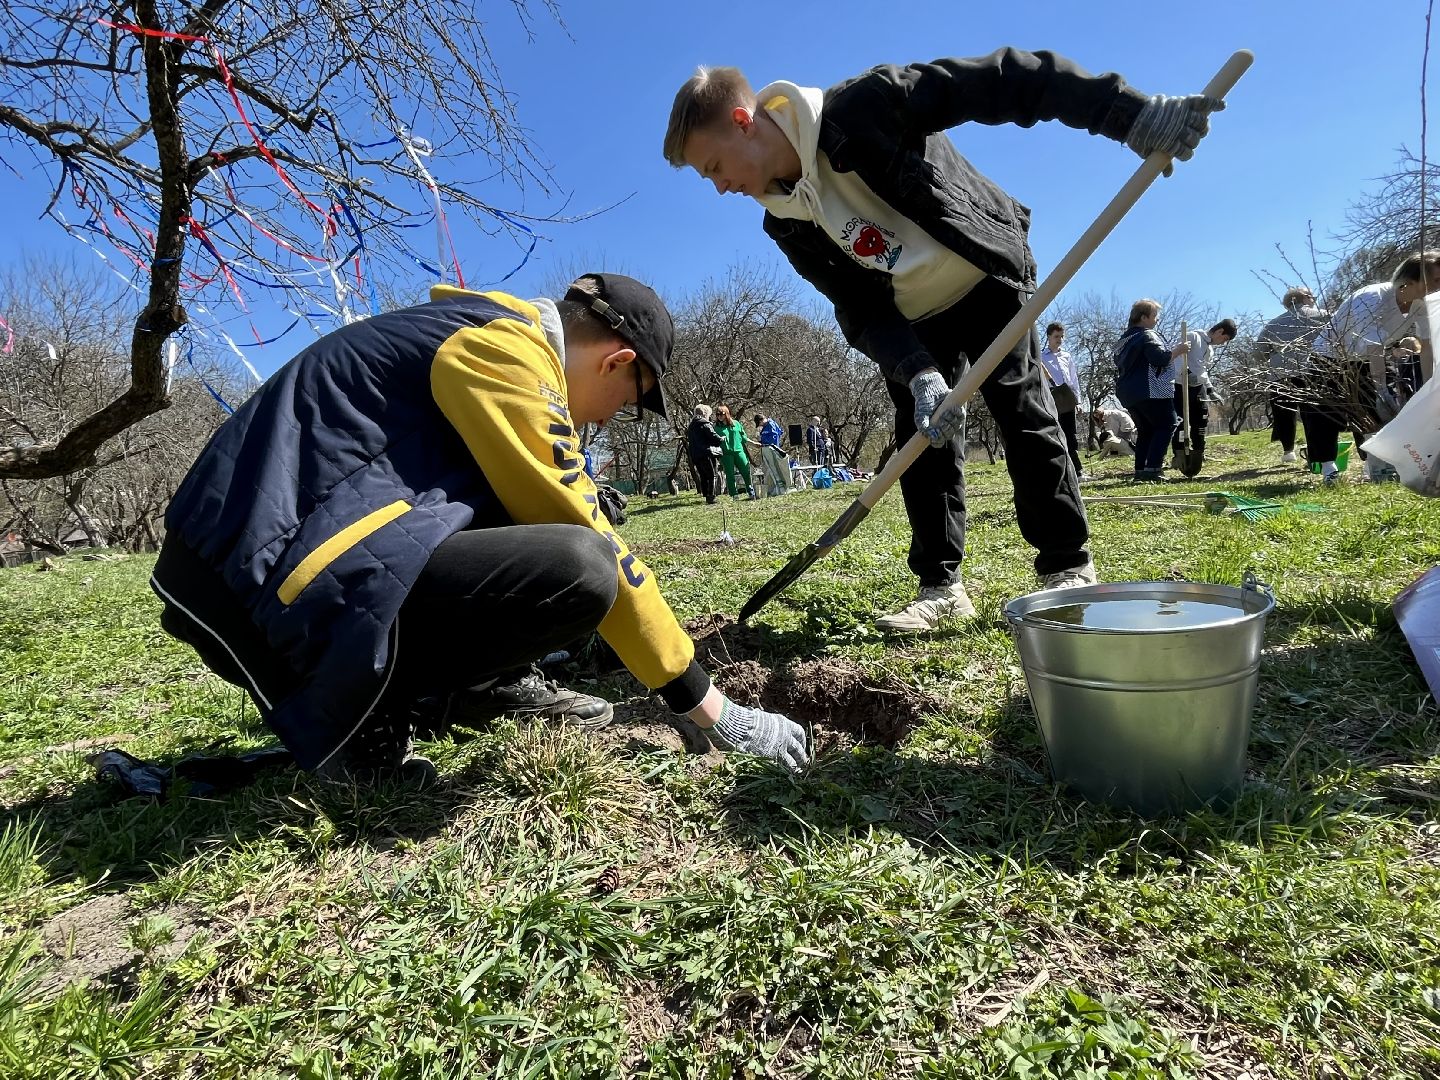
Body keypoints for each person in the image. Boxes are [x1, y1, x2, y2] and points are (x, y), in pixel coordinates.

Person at [150, 274, 809, 781]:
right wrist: (708, 706)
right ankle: (365, 718)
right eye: (628, 402)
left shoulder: (488, 336)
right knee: (583, 562)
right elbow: (577, 524)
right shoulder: (502, 353)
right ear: (616, 360)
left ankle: (473, 690)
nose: (609, 421)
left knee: (569, 523)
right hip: (245, 583)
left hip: (276, 561)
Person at [664, 51, 1219, 630]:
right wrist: (917, 371)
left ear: (742, 121)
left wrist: (1125, 113)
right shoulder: (784, 221)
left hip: (984, 276)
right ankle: (941, 586)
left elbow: (1006, 81)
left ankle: (1066, 567)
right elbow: (857, 304)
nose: (721, 187)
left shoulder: (867, 105)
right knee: (921, 439)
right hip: (912, 315)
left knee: (1022, 408)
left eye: (713, 167)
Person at [1306, 252, 1440, 483]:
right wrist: (1381, 390)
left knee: (1370, 413)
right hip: (1328, 356)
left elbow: (1426, 346)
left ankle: (1374, 466)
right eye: (1436, 280)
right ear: (1411, 280)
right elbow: (1374, 347)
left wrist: (1426, 389)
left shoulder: (1421, 304)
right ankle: (1329, 468)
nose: (1439, 286)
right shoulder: (1371, 298)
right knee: (1325, 412)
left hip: (1363, 358)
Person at [1113, 299, 1187, 481]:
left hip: (1128, 392)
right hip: (1150, 389)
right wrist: (1178, 350)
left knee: (1146, 430)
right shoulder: (1147, 335)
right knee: (1166, 424)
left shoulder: (1123, 341)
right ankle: (1153, 468)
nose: (1157, 320)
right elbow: (1159, 359)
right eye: (1155, 316)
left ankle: (1141, 470)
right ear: (1144, 317)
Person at [1257, 287, 1327, 463]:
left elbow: (1258, 353)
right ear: (1304, 298)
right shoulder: (1324, 316)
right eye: (1313, 297)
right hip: (1312, 371)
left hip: (1280, 375)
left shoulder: (1272, 324)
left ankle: (1288, 452)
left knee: (1284, 414)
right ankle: (1316, 452)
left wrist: (1274, 358)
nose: (1314, 300)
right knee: (1313, 413)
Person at [1170, 318, 1237, 468]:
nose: (1223, 343)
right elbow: (1178, 357)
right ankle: (1179, 456)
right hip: (1181, 386)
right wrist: (1186, 373)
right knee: (1180, 423)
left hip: (1198, 388)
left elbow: (1203, 371)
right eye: (1224, 339)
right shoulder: (1193, 336)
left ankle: (1199, 452)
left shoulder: (1210, 350)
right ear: (1220, 331)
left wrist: (1210, 389)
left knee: (1200, 421)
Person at [1038, 321, 1085, 479]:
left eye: (1062, 337)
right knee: (1055, 434)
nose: (1059, 339)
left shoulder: (1067, 356)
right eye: (1056, 336)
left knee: (1070, 435)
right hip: (1051, 400)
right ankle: (1059, 470)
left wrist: (1078, 401)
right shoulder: (1041, 357)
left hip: (1068, 399)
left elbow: (1074, 379)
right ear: (1049, 337)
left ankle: (1077, 471)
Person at [715, 405, 757, 499]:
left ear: (727, 413)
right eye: (717, 414)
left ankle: (750, 491)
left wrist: (754, 443)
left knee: (746, 471)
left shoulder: (736, 424)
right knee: (730, 475)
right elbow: (713, 440)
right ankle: (734, 494)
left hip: (739, 451)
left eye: (721, 414)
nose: (719, 416)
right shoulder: (716, 427)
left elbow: (744, 437)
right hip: (726, 454)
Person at [686, 403, 725, 503]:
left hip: (695, 454)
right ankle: (711, 497)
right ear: (705, 413)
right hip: (706, 453)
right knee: (712, 475)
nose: (709, 416)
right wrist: (721, 439)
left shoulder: (691, 426)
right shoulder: (704, 423)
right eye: (709, 414)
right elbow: (713, 436)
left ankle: (705, 494)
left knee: (703, 475)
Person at [752, 412, 791, 495]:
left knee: (775, 469)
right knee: (771, 469)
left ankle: (780, 488)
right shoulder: (766, 426)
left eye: (759, 424)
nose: (760, 426)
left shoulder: (770, 425)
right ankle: (775, 487)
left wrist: (763, 442)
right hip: (768, 449)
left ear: (761, 421)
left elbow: (774, 437)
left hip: (771, 449)